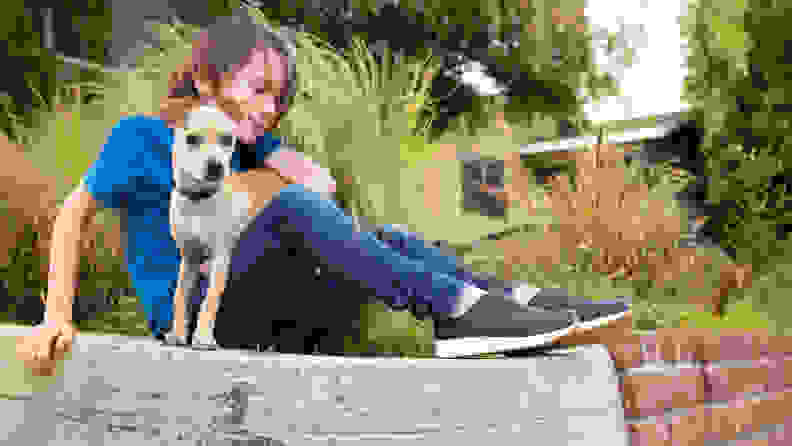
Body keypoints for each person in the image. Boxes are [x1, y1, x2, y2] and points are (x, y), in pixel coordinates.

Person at [17, 10, 630, 374]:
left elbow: (323, 190)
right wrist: (56, 317)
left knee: (389, 238)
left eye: (279, 100)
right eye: (258, 89)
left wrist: (272, 149)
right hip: (191, 324)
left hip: (261, 310)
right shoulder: (140, 140)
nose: (269, 110)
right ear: (206, 81)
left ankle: (505, 303)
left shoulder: (245, 150)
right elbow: (74, 215)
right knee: (289, 210)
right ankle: (458, 312)